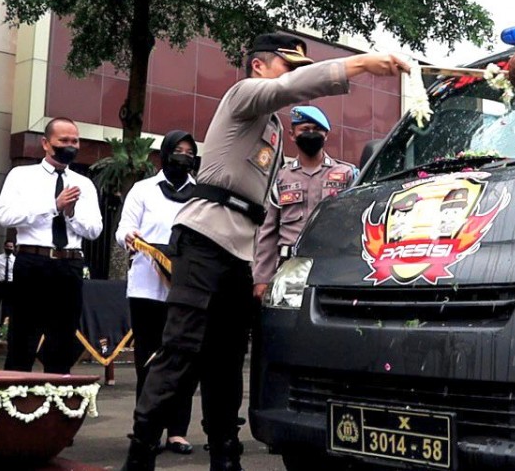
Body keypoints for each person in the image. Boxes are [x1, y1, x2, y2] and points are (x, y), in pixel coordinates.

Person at [121, 34, 409, 471]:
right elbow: (287, 89)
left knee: (226, 360)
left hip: (240, 250)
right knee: (181, 349)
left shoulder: (272, 126)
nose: (292, 74)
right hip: (204, 240)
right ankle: (140, 452)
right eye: (287, 65)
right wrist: (363, 64)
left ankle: (225, 455)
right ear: (258, 65)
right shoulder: (243, 95)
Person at [0, 117, 103, 374]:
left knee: (63, 340)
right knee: (22, 338)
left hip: (69, 264)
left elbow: (94, 230)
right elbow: (6, 217)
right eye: (63, 140)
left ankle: (56, 395)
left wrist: (71, 213)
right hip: (32, 262)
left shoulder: (84, 183)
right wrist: (53, 206)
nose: (70, 146)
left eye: (75, 141)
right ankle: (14, 394)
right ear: (46, 143)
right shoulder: (22, 176)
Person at [115, 130, 198, 456]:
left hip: (186, 288)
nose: (183, 157)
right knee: (148, 361)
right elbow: (123, 228)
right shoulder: (143, 189)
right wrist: (129, 237)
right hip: (147, 287)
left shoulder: (199, 194)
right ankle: (146, 430)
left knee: (182, 360)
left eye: (189, 152)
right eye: (178, 151)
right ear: (164, 153)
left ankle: (177, 432)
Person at [252, 106, 356, 298]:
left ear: (326, 135)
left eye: (316, 130)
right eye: (305, 129)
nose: (311, 134)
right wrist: (262, 278)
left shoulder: (347, 175)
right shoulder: (280, 178)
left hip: (333, 265)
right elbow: (268, 232)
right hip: (290, 267)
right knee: (289, 314)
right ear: (292, 135)